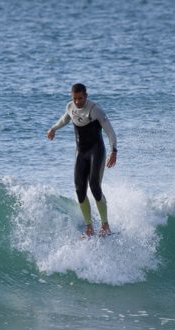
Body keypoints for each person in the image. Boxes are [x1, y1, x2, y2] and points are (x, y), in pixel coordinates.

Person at [46, 83, 118, 237]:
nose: (77, 101)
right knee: (79, 190)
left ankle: (105, 225)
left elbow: (110, 131)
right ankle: (89, 227)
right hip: (81, 152)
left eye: (80, 98)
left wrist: (114, 151)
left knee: (94, 186)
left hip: (96, 151)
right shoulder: (70, 106)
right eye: (75, 98)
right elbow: (65, 119)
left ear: (86, 95)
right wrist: (53, 129)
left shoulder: (95, 109)